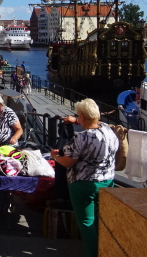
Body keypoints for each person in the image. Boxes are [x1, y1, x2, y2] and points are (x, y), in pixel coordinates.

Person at [50, 99, 118, 257]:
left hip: (83, 184)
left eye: (78, 115)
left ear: (83, 117)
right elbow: (95, 122)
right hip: (107, 182)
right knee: (101, 221)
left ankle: (92, 253)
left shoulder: (82, 137)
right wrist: (76, 119)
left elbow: (68, 162)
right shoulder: (108, 130)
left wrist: (55, 156)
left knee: (87, 222)